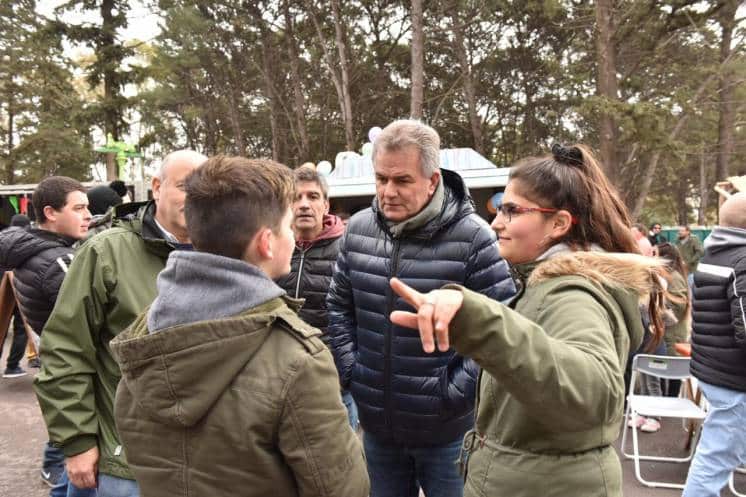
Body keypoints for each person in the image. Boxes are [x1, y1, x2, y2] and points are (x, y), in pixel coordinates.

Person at [388, 144, 670, 497]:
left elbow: (592, 394)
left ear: (559, 223)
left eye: (511, 210)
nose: (496, 222)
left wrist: (477, 320)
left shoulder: (573, 294)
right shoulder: (552, 283)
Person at [110, 156, 369, 497]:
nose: (293, 235)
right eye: (287, 225)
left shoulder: (146, 333)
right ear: (267, 242)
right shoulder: (298, 361)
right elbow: (341, 489)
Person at [326, 119, 514, 497]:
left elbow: (504, 327)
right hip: (377, 428)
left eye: (402, 181)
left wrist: (449, 393)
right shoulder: (358, 230)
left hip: (447, 434)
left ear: (432, 179)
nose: (387, 192)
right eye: (381, 179)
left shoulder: (474, 237)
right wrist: (353, 372)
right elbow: (339, 308)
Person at [33, 150, 206, 497]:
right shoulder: (106, 252)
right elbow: (65, 350)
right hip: (125, 461)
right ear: (156, 187)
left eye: (210, 190)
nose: (199, 199)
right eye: (187, 186)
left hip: (204, 460)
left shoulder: (223, 253)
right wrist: (78, 441)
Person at [0, 178, 92, 491]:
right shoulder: (59, 261)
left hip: (57, 360)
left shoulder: (33, 252)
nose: (88, 215)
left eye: (88, 207)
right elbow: (92, 318)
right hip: (76, 365)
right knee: (81, 462)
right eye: (79, 208)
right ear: (51, 213)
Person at [275, 167, 357, 428]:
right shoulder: (272, 249)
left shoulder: (349, 250)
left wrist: (346, 371)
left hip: (333, 385)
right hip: (280, 383)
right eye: (296, 198)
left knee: (341, 463)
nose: (304, 205)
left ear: (326, 204)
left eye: (312, 197)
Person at [682, 192, 746, 497]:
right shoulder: (743, 260)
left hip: (714, 372)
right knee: (716, 459)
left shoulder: (714, 255)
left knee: (716, 454)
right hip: (735, 380)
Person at [656, 242, 690, 397]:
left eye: (655, 254)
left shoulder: (674, 277)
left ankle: (670, 402)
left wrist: (657, 308)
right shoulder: (667, 276)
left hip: (673, 333)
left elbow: (678, 304)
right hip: (669, 332)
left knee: (673, 371)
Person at [0, 214, 31, 379]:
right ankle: (12, 366)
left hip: (2, 287)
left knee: (1, 328)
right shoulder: (28, 239)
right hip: (20, 287)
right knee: (21, 328)